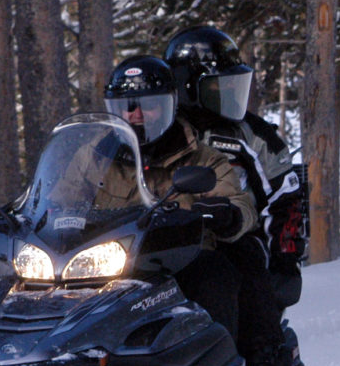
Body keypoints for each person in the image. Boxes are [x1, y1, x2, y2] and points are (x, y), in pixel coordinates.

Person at [163, 26, 305, 366]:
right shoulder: (158, 133)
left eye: (232, 86)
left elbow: (284, 198)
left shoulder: (255, 137)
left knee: (242, 255)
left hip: (232, 236)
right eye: (219, 88)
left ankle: (261, 358)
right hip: (162, 241)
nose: (229, 96)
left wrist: (283, 257)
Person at [102, 54, 257, 343]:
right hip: (107, 264)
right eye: (126, 106)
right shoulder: (95, 158)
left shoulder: (203, 158)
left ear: (168, 106)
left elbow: (239, 202)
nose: (134, 115)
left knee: (215, 274)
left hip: (177, 261)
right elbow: (60, 193)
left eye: (146, 105)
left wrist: (228, 214)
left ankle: (219, 360)